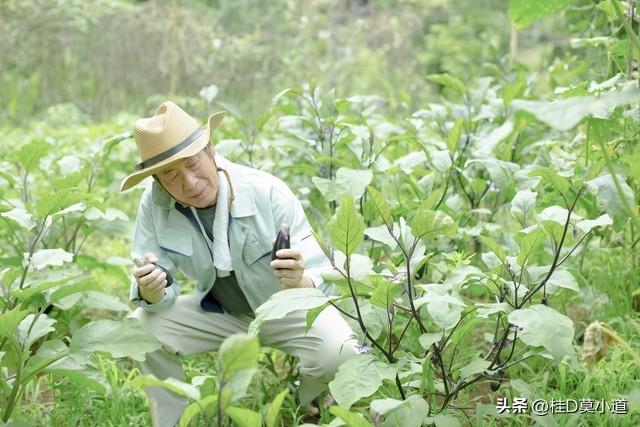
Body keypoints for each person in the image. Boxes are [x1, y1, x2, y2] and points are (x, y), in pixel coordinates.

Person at [120, 101, 359, 427]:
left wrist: (299, 280)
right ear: (158, 181)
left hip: (285, 310)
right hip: (220, 314)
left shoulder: (267, 192)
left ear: (211, 150)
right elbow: (153, 278)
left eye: (192, 164)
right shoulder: (155, 203)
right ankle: (171, 421)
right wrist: (151, 289)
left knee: (341, 348)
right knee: (141, 328)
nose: (188, 182)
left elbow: (322, 277)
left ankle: (309, 407)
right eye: (171, 175)